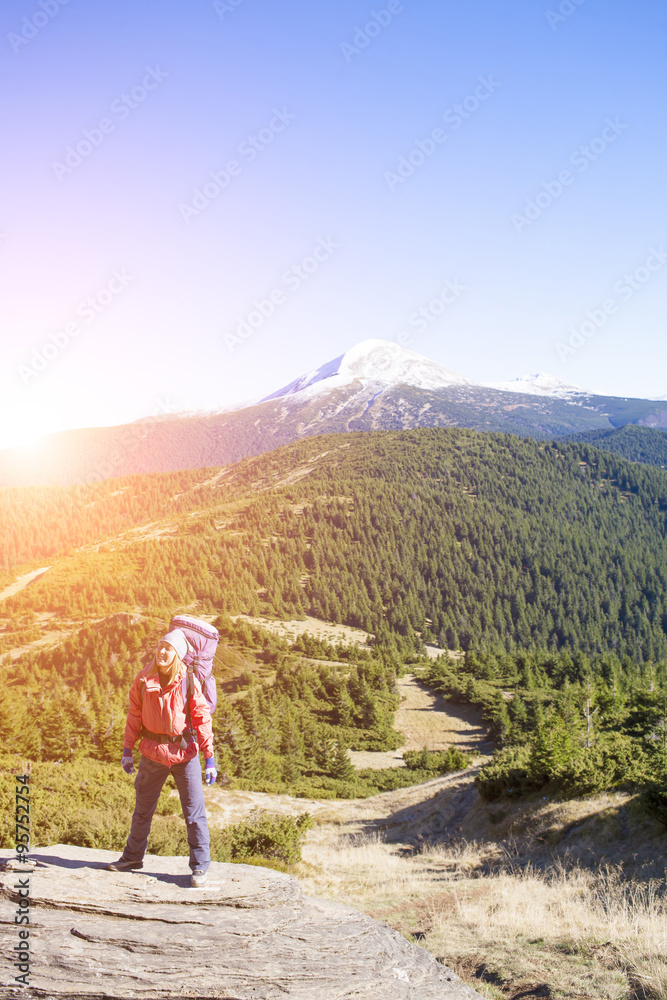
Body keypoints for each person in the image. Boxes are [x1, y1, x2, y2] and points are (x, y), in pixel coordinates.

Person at [107, 628, 217, 887]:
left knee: (193, 813)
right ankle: (132, 858)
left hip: (184, 754)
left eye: (168, 648)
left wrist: (209, 757)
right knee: (143, 810)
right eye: (160, 647)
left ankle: (200, 867)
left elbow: (201, 718)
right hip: (152, 754)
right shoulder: (144, 680)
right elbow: (134, 715)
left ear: (178, 654)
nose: (162, 652)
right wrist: (127, 750)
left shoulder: (188, 681)